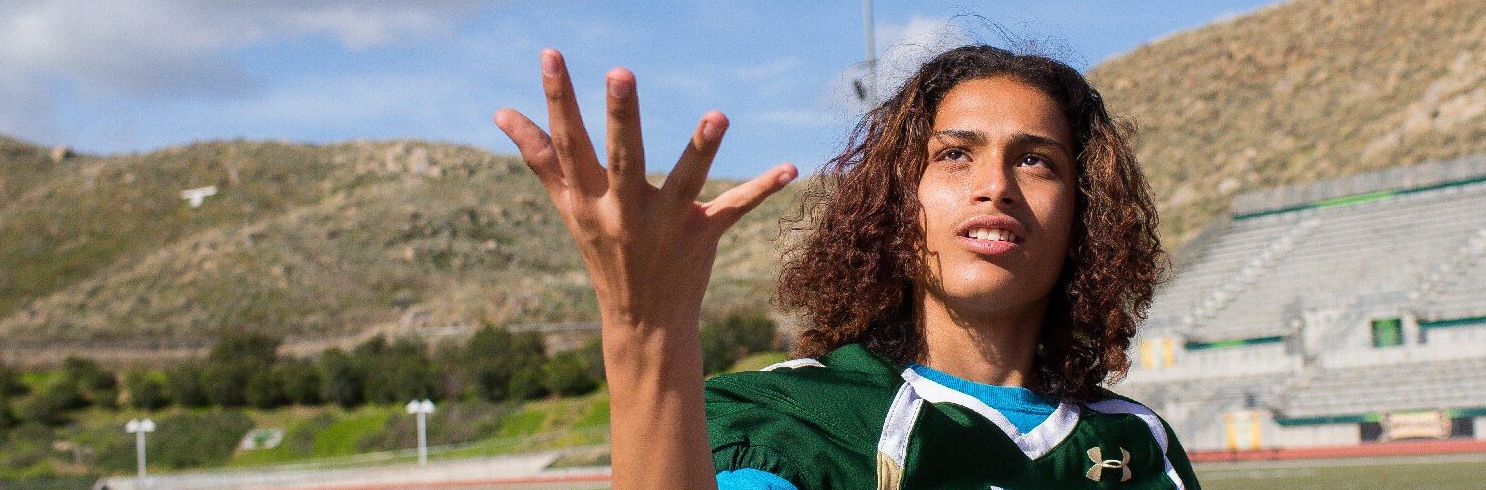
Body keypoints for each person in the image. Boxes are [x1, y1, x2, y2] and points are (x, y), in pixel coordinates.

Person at [495, 44, 1199, 490]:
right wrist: (643, 325)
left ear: (1085, 215)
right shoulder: (798, 429)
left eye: (1035, 159)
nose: (996, 185)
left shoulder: (1139, 449)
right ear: (897, 204)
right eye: (955, 154)